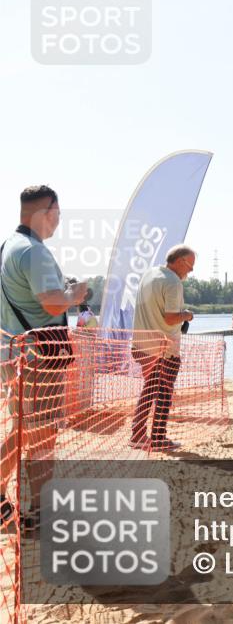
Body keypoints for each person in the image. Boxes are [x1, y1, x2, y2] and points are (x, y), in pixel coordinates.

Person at [0, 185, 89, 527]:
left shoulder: (11, 245)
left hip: (20, 353)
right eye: (59, 213)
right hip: (38, 358)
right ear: (47, 210)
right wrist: (76, 292)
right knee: (42, 435)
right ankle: (39, 512)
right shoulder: (33, 251)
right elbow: (52, 302)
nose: (59, 221)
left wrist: (62, 290)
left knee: (23, 430)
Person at [130, 244, 196, 452]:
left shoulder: (149, 275)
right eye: (190, 265)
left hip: (141, 345)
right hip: (164, 349)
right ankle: (157, 438)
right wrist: (187, 315)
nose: (191, 270)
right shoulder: (173, 282)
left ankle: (138, 434)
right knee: (164, 393)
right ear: (178, 261)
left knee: (149, 390)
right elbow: (169, 318)